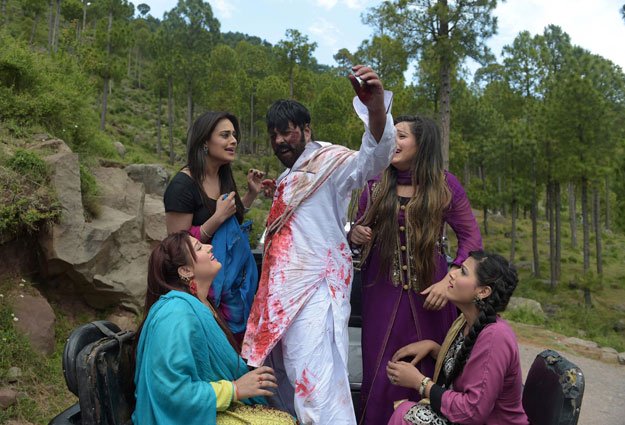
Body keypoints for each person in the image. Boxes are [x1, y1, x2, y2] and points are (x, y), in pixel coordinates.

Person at [241, 65, 396, 424]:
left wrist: (375, 108)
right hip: (280, 296)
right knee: (285, 381)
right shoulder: (286, 176)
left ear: (307, 131)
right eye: (274, 134)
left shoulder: (330, 161)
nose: (280, 140)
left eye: (288, 132)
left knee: (317, 386)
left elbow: (373, 159)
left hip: (314, 292)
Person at [349, 114, 482, 424]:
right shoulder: (376, 182)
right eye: (390, 136)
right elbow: (356, 233)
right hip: (380, 295)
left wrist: (449, 281)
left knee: (429, 369)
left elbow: (471, 238)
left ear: (422, 145)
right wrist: (356, 233)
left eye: (402, 136)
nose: (392, 142)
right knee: (382, 370)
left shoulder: (445, 185)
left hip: (431, 298)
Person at [132, 231, 296, 424]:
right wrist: (234, 389)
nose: (210, 247)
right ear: (185, 271)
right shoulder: (175, 312)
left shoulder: (201, 306)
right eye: (199, 248)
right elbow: (170, 390)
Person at [386, 251, 530, 425]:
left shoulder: (495, 337)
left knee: (405, 417)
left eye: (463, 271)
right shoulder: (466, 322)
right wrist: (434, 348)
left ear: (483, 291)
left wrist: (420, 383)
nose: (452, 274)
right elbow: (471, 367)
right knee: (405, 412)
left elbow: (473, 411)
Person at [163, 111, 265, 340]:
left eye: (234, 135)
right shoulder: (182, 186)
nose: (234, 141)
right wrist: (217, 217)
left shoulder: (223, 177)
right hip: (201, 291)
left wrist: (249, 195)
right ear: (205, 142)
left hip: (233, 287)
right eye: (225, 135)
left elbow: (231, 225)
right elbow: (177, 246)